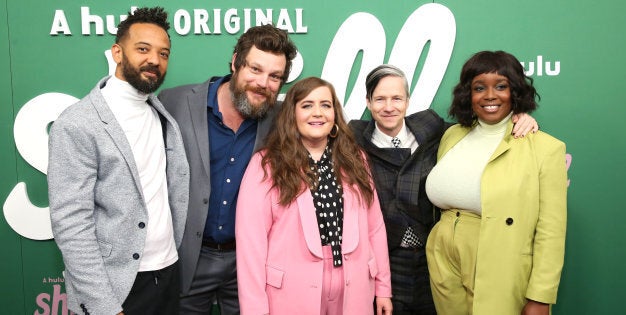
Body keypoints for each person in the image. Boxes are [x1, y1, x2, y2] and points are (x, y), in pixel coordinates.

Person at [348, 64, 539, 314]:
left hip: (433, 257)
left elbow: (483, 131)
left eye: (396, 98)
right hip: (384, 262)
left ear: (407, 100)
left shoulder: (433, 128)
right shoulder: (352, 137)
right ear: (368, 102)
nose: (388, 107)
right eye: (380, 99)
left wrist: (519, 116)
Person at [48, 7, 189, 315]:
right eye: (142, 49)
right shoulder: (77, 123)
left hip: (166, 273)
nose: (154, 59)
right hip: (116, 285)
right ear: (117, 52)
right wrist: (103, 306)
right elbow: (71, 224)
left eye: (163, 53)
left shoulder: (160, 114)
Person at [158, 24, 297, 314]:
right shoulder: (174, 102)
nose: (263, 83)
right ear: (235, 62)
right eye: (255, 69)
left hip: (250, 263)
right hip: (188, 259)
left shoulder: (282, 119)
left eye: (275, 77)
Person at [425, 50, 567, 315]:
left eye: (501, 86)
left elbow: (551, 232)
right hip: (444, 257)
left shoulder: (545, 149)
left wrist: (540, 296)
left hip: (500, 255)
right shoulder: (451, 135)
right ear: (469, 94)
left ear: (515, 91)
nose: (490, 96)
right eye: (480, 88)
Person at [235, 77, 393, 315]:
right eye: (307, 105)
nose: (317, 113)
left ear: (335, 114)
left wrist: (383, 288)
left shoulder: (355, 158)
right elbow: (251, 245)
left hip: (355, 289)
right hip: (290, 293)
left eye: (325, 105)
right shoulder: (266, 164)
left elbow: (375, 228)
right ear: (292, 115)